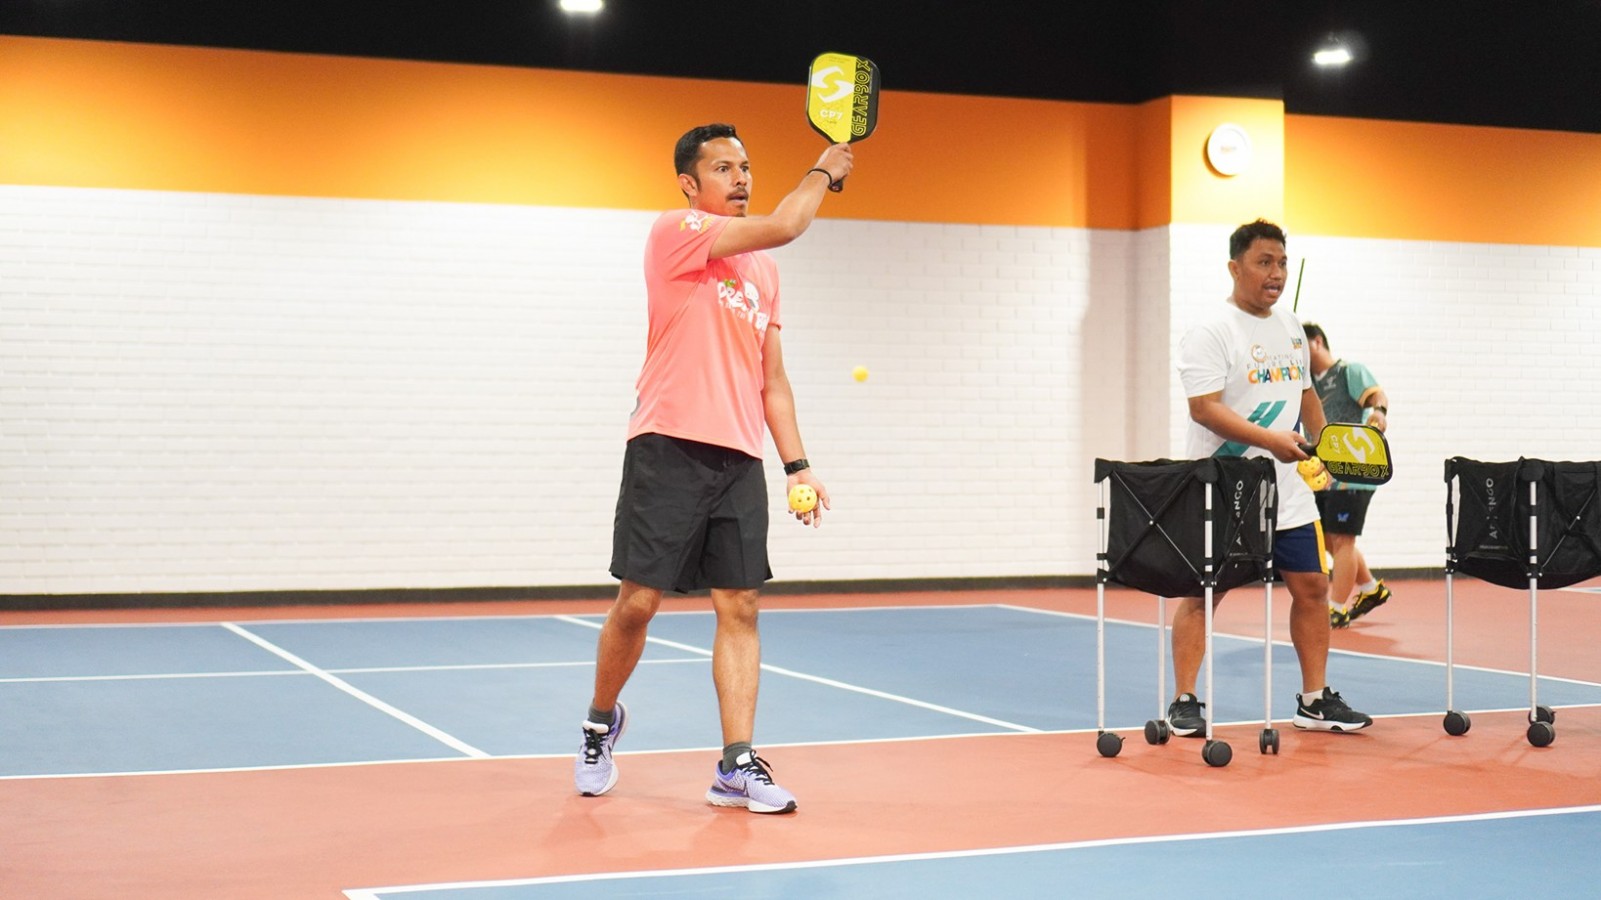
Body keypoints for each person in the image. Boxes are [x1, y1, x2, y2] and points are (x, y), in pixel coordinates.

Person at [573, 123, 854, 815]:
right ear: (689, 184)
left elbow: (772, 380)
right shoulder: (675, 232)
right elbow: (787, 224)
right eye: (723, 168)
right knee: (639, 603)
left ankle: (736, 765)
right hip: (666, 445)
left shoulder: (763, 273)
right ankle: (600, 724)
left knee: (741, 605)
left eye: (745, 167)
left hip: (738, 457)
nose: (740, 178)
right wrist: (822, 170)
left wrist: (797, 465)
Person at [1169, 219, 1372, 735]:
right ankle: (1185, 701)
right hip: (1225, 485)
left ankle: (1314, 700)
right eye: (1264, 262)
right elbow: (1204, 408)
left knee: (1313, 586)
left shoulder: (1291, 327)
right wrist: (1269, 441)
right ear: (1235, 268)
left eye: (1281, 262)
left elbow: (1305, 394)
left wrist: (1325, 447)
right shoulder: (1211, 331)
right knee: (1205, 593)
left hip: (1289, 489)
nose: (1276, 273)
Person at [1302, 323, 1392, 628]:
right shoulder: (1306, 384)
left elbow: (1377, 395)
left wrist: (1379, 412)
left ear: (1317, 342)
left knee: (1343, 539)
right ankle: (1370, 588)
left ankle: (1335, 608)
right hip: (1323, 474)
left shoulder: (1348, 372)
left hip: (1353, 471)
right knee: (1329, 540)